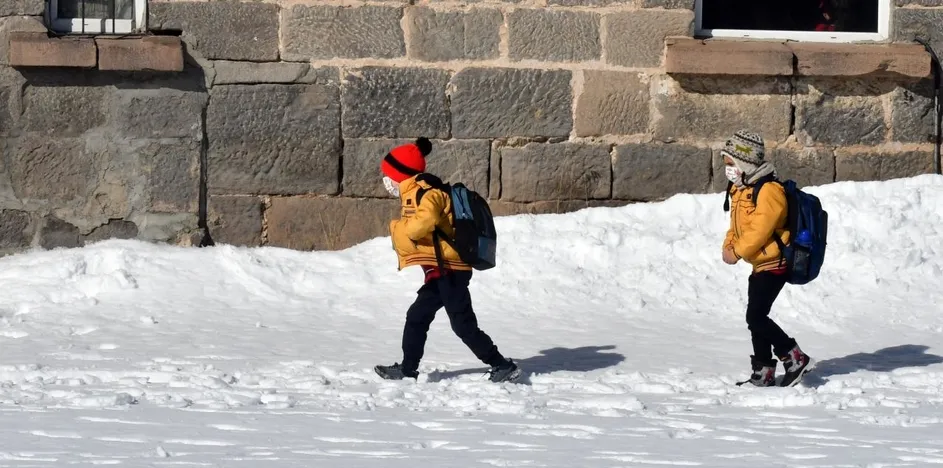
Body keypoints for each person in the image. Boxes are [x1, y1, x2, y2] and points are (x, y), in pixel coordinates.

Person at [373, 137, 521, 384]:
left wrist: (399, 229)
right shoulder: (418, 192)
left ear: (401, 175)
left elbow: (424, 222)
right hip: (440, 271)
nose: (385, 181)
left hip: (451, 271)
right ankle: (408, 369)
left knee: (462, 325)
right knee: (417, 316)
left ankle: (502, 365)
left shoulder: (430, 194)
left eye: (388, 175)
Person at [721, 130, 814, 387]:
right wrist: (728, 245)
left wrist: (738, 251)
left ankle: (794, 357)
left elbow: (760, 229)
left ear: (744, 163)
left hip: (775, 263)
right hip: (760, 264)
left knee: (756, 317)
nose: (727, 170)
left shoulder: (770, 190)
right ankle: (763, 371)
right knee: (756, 318)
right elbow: (737, 226)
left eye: (730, 164)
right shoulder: (742, 190)